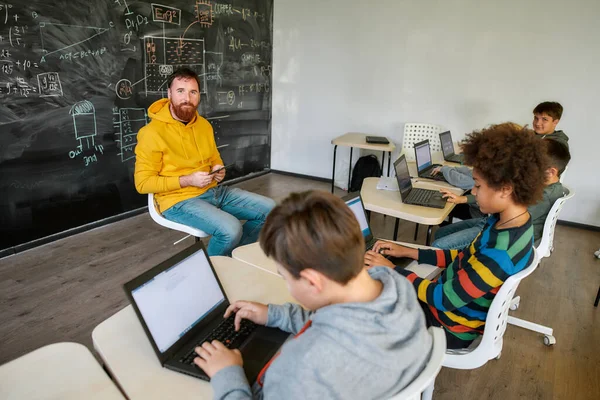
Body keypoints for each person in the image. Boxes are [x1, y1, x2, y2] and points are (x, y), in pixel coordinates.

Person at [192, 191, 432, 399]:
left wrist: (228, 374)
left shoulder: (305, 366)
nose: (287, 285)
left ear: (312, 281)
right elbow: (341, 322)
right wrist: (274, 314)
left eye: (285, 277)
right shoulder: (397, 289)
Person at [364, 123, 547, 349]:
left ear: (505, 188)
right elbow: (465, 256)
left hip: (446, 325)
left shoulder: (499, 253)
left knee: (365, 291)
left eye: (478, 186)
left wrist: (392, 270)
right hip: (448, 308)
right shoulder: (511, 223)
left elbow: (443, 298)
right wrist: (409, 251)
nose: (473, 192)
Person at [134, 68, 275, 256]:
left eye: (193, 92)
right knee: (230, 230)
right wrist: (188, 180)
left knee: (272, 212)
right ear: (169, 94)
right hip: (178, 200)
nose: (187, 98)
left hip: (213, 191)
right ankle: (213, 274)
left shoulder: (204, 125)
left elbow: (214, 158)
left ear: (199, 95)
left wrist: (218, 169)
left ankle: (232, 259)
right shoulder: (151, 133)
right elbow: (143, 184)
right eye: (180, 91)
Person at [433, 138, 571, 249]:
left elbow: (499, 204)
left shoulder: (543, 195)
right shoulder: (539, 185)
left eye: (533, 163)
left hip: (503, 234)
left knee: (438, 245)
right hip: (492, 222)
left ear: (551, 172)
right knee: (440, 233)